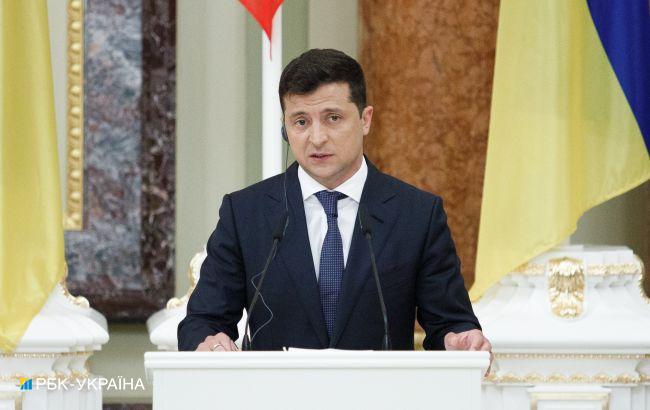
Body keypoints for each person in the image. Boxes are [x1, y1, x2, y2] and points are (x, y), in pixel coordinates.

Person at [178, 49, 491, 357]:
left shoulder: (416, 214)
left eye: (333, 118)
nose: (317, 138)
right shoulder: (246, 213)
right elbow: (202, 322)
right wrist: (210, 343)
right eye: (301, 122)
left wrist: (459, 340)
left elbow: (450, 323)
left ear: (365, 119)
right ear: (285, 128)